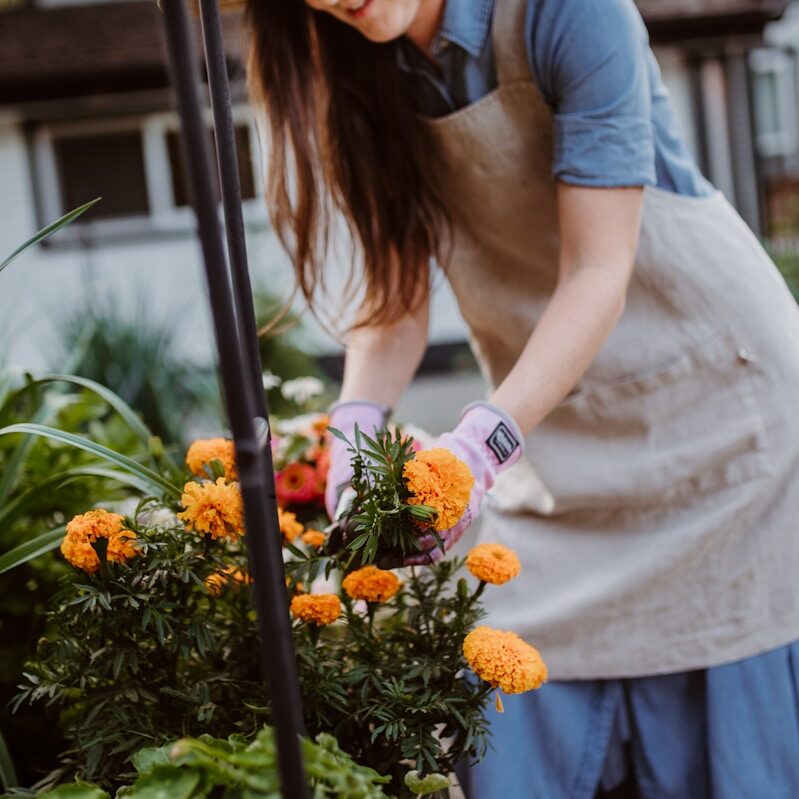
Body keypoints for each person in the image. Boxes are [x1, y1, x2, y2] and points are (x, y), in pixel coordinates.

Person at [244, 0, 799, 796]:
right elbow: (393, 303)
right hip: (554, 439)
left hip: (721, 425)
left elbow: (595, 274)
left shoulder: (569, 12)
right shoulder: (350, 60)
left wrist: (476, 449)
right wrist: (353, 438)